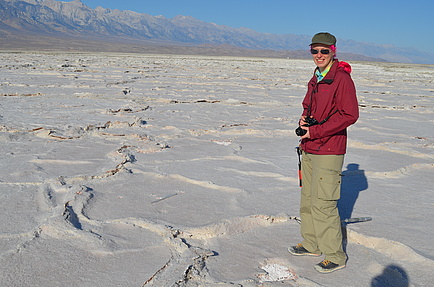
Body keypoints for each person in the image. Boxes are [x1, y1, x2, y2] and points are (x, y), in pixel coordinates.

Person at [288, 32, 359, 273]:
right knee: (307, 200)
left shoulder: (341, 79)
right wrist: (304, 121)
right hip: (309, 147)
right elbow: (310, 106)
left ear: (333, 51)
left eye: (324, 51)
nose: (319, 55)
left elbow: (350, 115)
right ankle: (312, 243)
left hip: (328, 149)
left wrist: (316, 132)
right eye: (314, 51)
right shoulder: (317, 77)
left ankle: (336, 256)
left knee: (324, 203)